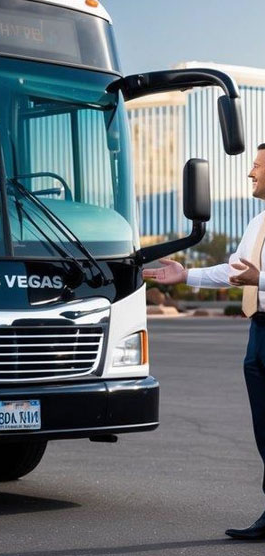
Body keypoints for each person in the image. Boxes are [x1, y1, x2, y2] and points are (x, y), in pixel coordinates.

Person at [144, 143, 265, 540]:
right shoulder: (257, 223)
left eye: (257, 167)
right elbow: (233, 272)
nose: (251, 174)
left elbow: (250, 277)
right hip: (258, 333)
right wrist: (188, 276)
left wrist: (259, 280)